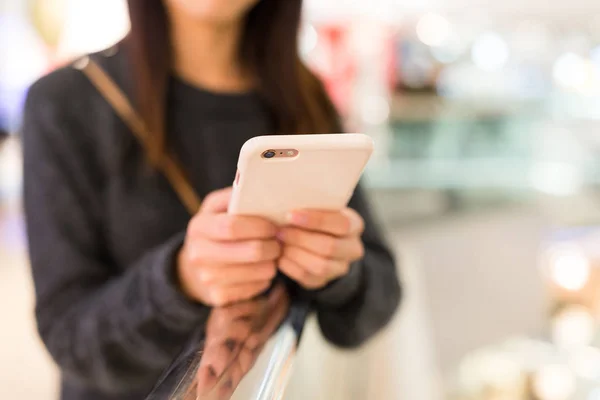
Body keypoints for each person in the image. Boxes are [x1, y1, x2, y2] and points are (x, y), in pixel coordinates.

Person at [22, 1, 401, 399]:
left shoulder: (303, 95)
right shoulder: (66, 102)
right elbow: (68, 336)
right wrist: (180, 278)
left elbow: (380, 297)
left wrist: (338, 271)